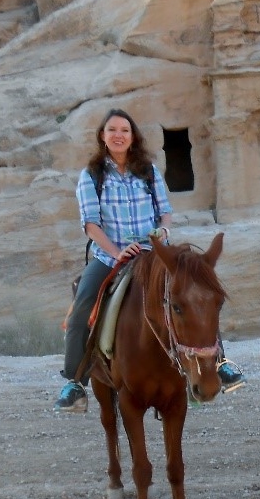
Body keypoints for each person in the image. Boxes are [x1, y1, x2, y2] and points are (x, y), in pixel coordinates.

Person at [54, 108, 245, 412]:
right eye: (113, 130)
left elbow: (164, 211)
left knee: (196, 293)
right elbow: (91, 224)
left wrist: (164, 230)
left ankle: (220, 362)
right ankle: (74, 382)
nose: (119, 135)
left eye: (125, 131)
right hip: (110, 255)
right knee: (83, 305)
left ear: (133, 137)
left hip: (153, 251)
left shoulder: (148, 170)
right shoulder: (91, 175)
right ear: (103, 136)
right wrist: (118, 252)